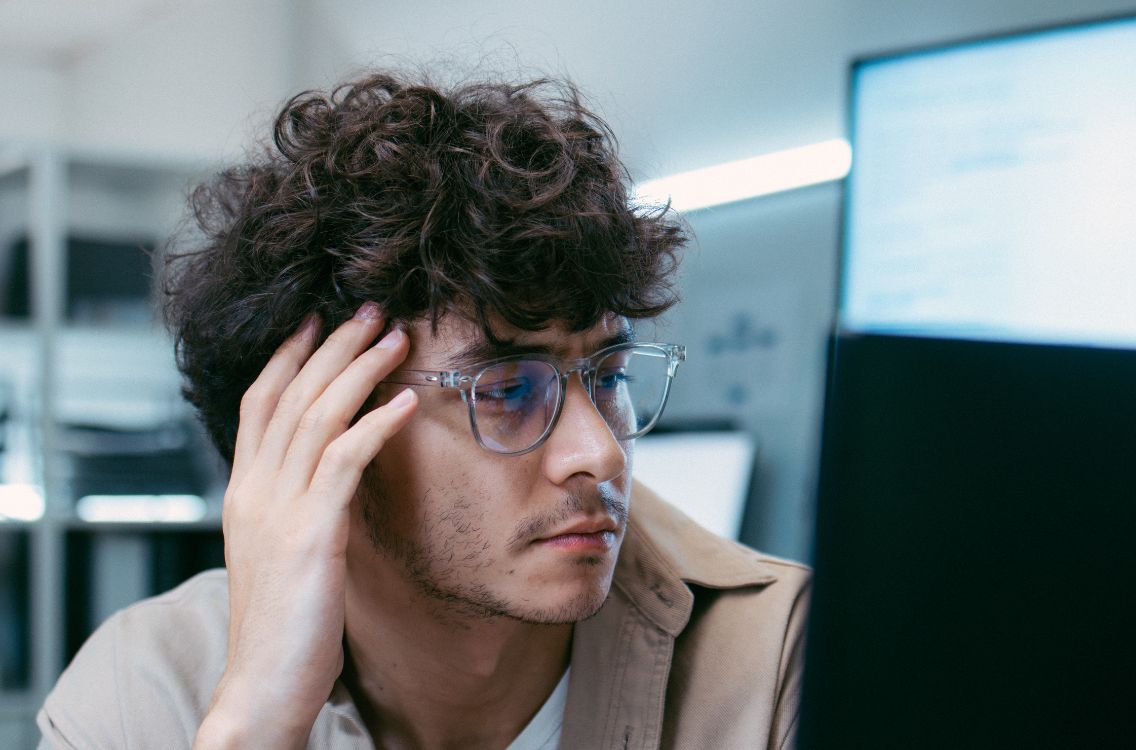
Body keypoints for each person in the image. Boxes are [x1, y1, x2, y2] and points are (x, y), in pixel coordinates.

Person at [36, 71, 810, 749]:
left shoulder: (783, 660)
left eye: (607, 376)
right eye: (508, 389)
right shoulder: (144, 692)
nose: (600, 453)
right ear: (325, 435)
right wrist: (255, 725)